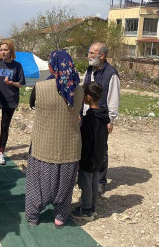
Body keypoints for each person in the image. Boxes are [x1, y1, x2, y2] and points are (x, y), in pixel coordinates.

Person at [25, 50, 83, 228]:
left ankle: (33, 216)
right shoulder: (78, 90)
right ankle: (60, 217)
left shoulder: (40, 87)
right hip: (69, 146)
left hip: (43, 144)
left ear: (51, 66)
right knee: (65, 186)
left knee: (37, 183)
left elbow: (32, 104)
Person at [82, 42, 120, 196]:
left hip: (101, 118)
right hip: (87, 115)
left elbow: (113, 98)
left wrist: (110, 120)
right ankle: (87, 178)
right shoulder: (89, 70)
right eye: (89, 52)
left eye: (92, 53)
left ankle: (100, 182)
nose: (89, 56)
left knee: (101, 149)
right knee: (87, 146)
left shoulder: (111, 74)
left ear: (102, 56)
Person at [71, 81, 110, 221]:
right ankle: (92, 207)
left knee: (85, 183)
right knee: (94, 182)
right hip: (99, 155)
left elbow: (86, 141)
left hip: (88, 157)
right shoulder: (104, 116)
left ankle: (86, 210)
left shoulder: (90, 119)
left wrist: (81, 159)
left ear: (87, 97)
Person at [0, 40, 25, 165]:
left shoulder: (17, 66)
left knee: (4, 126)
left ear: (11, 51)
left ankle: (1, 153)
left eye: (5, 49)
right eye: (1, 50)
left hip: (10, 100)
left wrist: (11, 83)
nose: (3, 52)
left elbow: (21, 84)